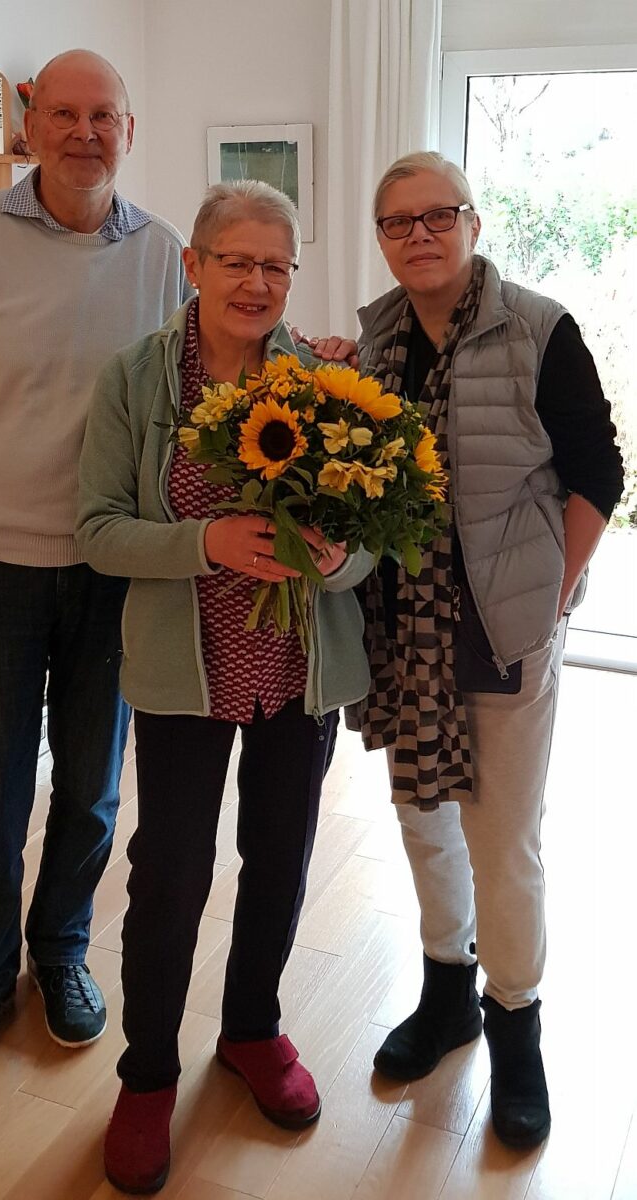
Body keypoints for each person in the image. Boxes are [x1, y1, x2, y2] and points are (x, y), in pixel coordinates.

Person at [0, 49, 192, 1084]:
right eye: (63, 113)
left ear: (128, 131)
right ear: (28, 125)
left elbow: (209, 391)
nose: (83, 132)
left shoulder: (163, 254)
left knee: (95, 791)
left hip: (116, 571)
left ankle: (60, 954)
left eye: (103, 114)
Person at [305, 151, 623, 1150]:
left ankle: (513, 1023)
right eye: (395, 222)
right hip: (402, 632)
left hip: (505, 630)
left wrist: (556, 595)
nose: (417, 234)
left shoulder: (537, 327)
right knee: (420, 813)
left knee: (501, 836)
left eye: (436, 215)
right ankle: (446, 988)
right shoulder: (374, 337)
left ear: (472, 222)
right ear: (380, 236)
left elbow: (597, 476)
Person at [76, 180, 373, 1194]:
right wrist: (206, 543)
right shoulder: (136, 380)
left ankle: (251, 1028)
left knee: (281, 859)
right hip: (182, 672)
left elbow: (368, 541)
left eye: (276, 265)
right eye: (236, 260)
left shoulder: (325, 383)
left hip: (299, 669)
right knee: (168, 877)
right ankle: (147, 1073)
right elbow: (96, 530)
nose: (256, 282)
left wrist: (333, 563)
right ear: (194, 264)